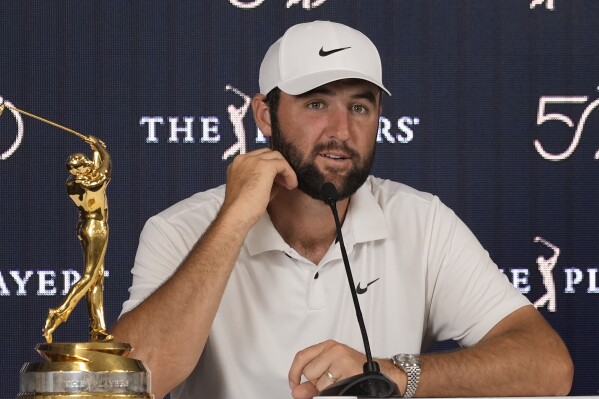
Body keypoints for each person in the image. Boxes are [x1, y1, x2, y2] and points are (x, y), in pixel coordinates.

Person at [111, 21, 573, 399]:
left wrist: (393, 374)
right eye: (316, 103)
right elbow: (127, 383)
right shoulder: (179, 229)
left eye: (360, 106)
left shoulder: (422, 221)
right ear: (265, 115)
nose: (342, 130)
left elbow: (548, 366)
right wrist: (233, 221)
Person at [44, 135, 113, 343]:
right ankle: (60, 312)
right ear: (77, 170)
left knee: (97, 279)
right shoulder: (89, 182)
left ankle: (98, 329)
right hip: (96, 228)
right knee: (90, 277)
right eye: (83, 165)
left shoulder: (74, 183)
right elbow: (106, 169)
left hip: (86, 226)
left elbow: (96, 166)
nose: (88, 165)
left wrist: (93, 149)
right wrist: (101, 148)